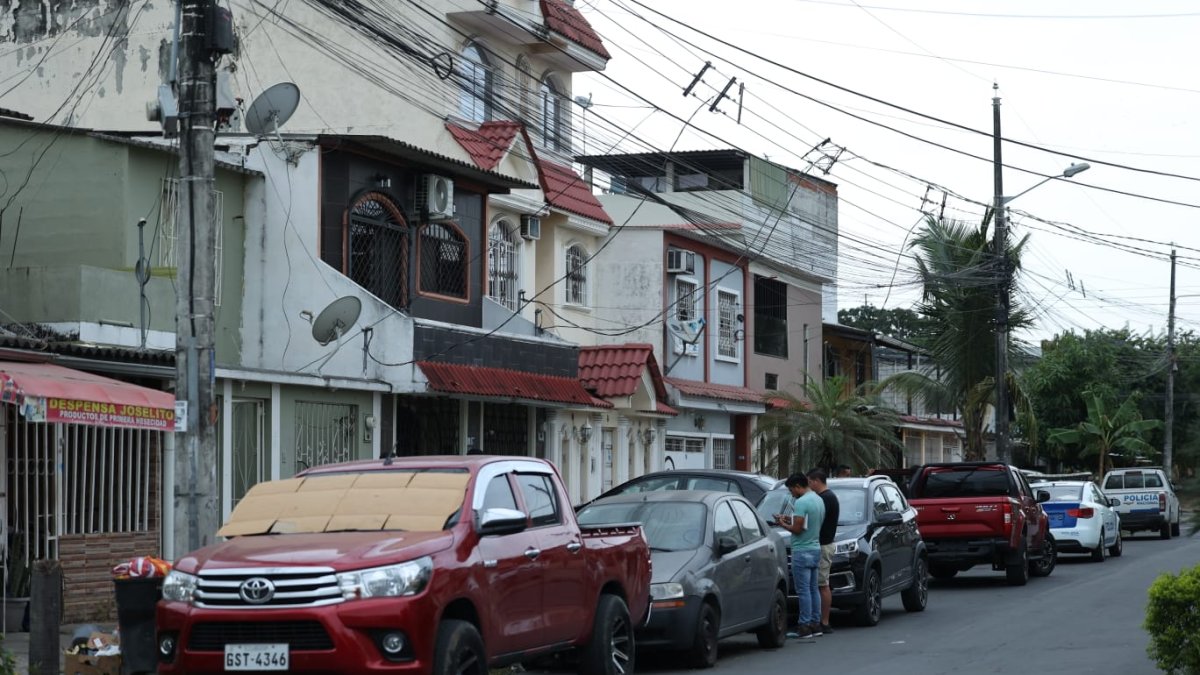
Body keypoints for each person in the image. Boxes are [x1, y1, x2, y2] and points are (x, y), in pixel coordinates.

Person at [773, 473, 825, 639]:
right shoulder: (818, 499)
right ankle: (816, 624)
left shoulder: (801, 502)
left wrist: (783, 524)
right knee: (813, 589)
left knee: (803, 591)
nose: (791, 494)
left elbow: (797, 529)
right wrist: (790, 518)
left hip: (801, 550)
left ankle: (804, 626)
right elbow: (806, 522)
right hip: (816, 547)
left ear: (797, 486)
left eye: (791, 490)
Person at [807, 468, 840, 635]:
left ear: (815, 481)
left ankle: (824, 622)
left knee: (822, 584)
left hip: (823, 545)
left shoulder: (825, 499)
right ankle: (817, 619)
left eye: (809, 482)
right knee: (818, 584)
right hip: (821, 544)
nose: (808, 486)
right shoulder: (827, 497)